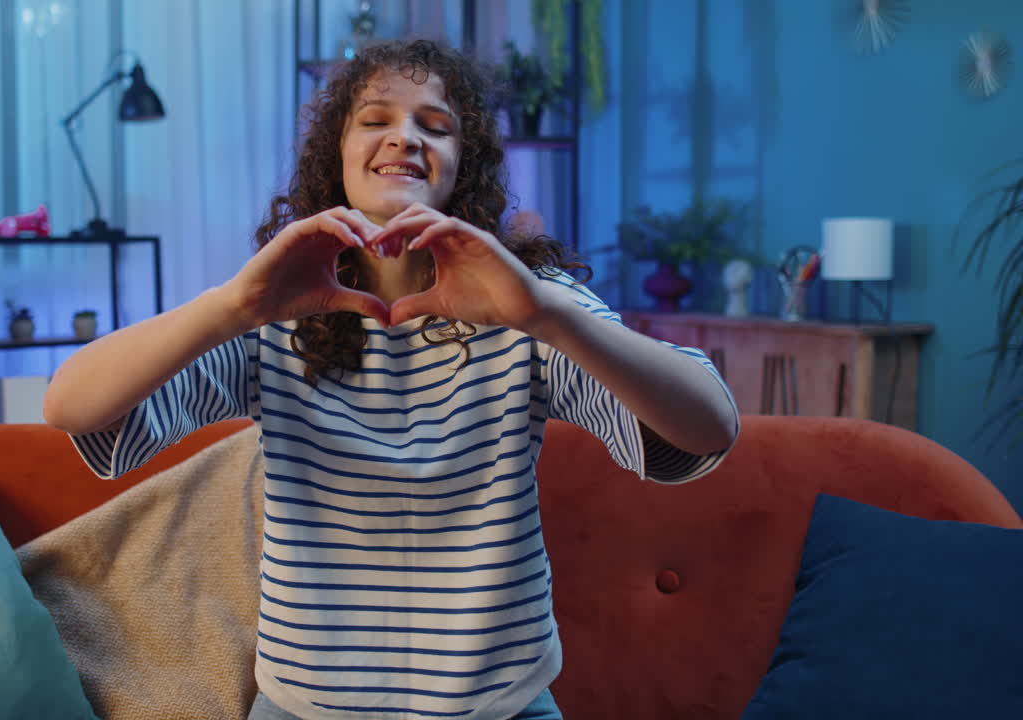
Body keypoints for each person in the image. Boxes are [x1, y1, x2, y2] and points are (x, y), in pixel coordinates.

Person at [44, 39, 739, 720]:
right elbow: (72, 405)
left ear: (461, 167)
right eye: (375, 119)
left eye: (434, 126)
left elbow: (710, 425)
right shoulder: (273, 309)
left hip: (498, 705)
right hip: (307, 707)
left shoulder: (528, 302)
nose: (403, 137)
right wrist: (236, 305)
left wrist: (542, 311)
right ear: (335, 158)